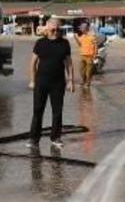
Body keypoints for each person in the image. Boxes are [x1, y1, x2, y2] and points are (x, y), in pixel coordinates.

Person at [29, 18, 75, 148]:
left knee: (57, 111)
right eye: (53, 29)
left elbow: (69, 64)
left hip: (58, 83)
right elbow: (32, 63)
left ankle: (55, 137)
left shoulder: (64, 43)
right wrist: (32, 80)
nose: (55, 32)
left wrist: (71, 81)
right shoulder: (40, 43)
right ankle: (34, 139)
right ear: (47, 28)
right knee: (38, 110)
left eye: (58, 29)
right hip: (41, 82)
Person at [73, 21, 97, 88]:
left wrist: (95, 54)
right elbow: (80, 45)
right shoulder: (82, 36)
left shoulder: (92, 36)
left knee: (88, 72)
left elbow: (95, 46)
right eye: (81, 28)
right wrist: (76, 39)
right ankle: (83, 80)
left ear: (86, 28)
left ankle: (88, 83)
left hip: (90, 56)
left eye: (82, 28)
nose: (81, 29)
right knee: (81, 70)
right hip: (82, 55)